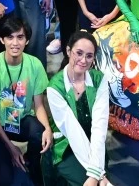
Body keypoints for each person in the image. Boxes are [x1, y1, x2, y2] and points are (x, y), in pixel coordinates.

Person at [0, 16, 52, 186]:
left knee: (39, 133)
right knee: (4, 179)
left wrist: (47, 129)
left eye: (20, 37)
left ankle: (32, 164)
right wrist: (11, 148)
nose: (15, 43)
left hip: (21, 120)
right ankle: (7, 157)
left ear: (27, 41)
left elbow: (39, 105)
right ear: (1, 40)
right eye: (10, 37)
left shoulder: (35, 64)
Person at [45, 30, 110, 186]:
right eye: (79, 53)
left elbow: (100, 126)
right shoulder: (55, 87)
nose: (83, 60)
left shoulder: (99, 79)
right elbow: (72, 131)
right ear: (68, 51)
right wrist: (98, 175)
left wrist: (95, 173)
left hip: (94, 144)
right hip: (66, 145)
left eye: (89, 56)